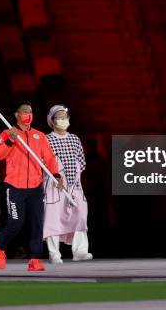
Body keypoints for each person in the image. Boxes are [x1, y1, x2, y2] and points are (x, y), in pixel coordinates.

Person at [0, 100, 64, 272]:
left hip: (35, 188)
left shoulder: (39, 136)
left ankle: (35, 259)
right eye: (24, 111)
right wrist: (10, 140)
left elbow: (50, 158)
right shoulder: (7, 133)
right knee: (16, 223)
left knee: (37, 223)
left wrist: (56, 175)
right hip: (14, 187)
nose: (28, 115)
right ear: (17, 115)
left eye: (30, 111)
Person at [44, 105, 92, 263]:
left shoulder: (74, 139)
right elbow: (43, 163)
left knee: (80, 216)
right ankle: (54, 253)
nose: (63, 120)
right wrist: (56, 177)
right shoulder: (47, 139)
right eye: (59, 117)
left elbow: (81, 162)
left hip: (74, 186)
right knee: (53, 218)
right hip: (54, 186)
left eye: (65, 117)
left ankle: (80, 251)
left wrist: (73, 179)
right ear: (52, 121)